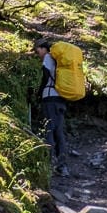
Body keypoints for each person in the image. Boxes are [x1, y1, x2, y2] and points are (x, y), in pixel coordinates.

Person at [32, 39, 69, 176]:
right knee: (59, 132)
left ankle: (49, 165)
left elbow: (46, 76)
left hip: (50, 99)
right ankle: (62, 166)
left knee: (49, 130)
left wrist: (39, 92)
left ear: (43, 48)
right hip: (61, 99)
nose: (38, 54)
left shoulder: (48, 57)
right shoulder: (59, 61)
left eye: (37, 51)